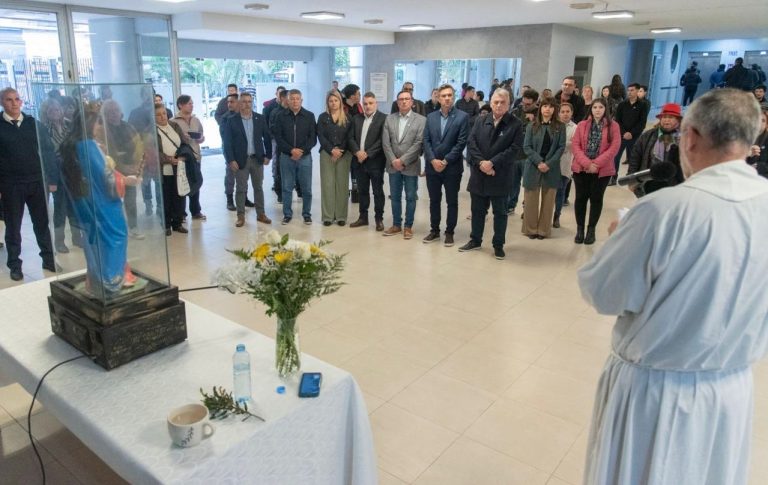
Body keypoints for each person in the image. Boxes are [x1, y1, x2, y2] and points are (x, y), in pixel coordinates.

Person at [579, 88, 767, 485]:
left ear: (691, 137)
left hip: (658, 392)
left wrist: (619, 239)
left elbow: (603, 292)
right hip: (730, 388)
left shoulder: (664, 211)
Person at [59, 110, 138, 295]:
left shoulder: (72, 145)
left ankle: (96, 277)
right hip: (102, 201)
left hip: (85, 200)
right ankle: (111, 279)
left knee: (94, 237)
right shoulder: (87, 145)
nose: (100, 127)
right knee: (115, 235)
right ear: (89, 124)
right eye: (97, 123)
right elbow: (105, 175)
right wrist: (125, 180)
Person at [458, 88, 524, 260]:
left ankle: (498, 245)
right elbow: (471, 143)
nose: (499, 105)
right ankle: (475, 240)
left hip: (500, 175)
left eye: (503, 102)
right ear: (490, 102)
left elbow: (514, 150)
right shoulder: (481, 120)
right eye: (496, 102)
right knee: (477, 210)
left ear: (509, 104)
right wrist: (482, 163)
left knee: (500, 213)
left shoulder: (515, 124)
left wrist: (492, 163)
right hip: (480, 174)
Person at [0, 87, 57, 281]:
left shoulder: (33, 123)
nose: (14, 103)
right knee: (13, 227)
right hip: (11, 185)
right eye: (9, 100)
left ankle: (48, 259)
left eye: (17, 99)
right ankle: (15, 264)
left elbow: (48, 151)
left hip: (36, 182)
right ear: (2, 103)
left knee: (41, 224)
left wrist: (52, 179)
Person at [422, 84, 469, 247]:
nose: (447, 98)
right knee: (434, 200)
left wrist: (446, 160)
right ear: (438, 98)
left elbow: (461, 142)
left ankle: (449, 232)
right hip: (432, 167)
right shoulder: (431, 117)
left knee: (452, 201)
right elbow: (426, 141)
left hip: (452, 168)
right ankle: (434, 230)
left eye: (449, 95)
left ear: (454, 96)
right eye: (443, 96)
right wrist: (433, 160)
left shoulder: (462, 117)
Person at [571, 98, 621, 245]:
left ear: (605, 109)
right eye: (594, 107)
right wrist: (587, 163)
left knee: (596, 199)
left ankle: (591, 230)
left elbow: (614, 148)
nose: (597, 110)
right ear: (591, 109)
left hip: (602, 170)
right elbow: (576, 145)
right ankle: (580, 229)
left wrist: (596, 164)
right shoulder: (582, 125)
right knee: (580, 199)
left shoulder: (614, 126)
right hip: (582, 168)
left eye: (600, 107)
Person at [221, 92, 272, 228]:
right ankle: (241, 216)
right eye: (244, 101)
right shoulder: (232, 120)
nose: (247, 104)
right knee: (241, 189)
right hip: (240, 160)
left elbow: (267, 137)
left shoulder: (259, 118)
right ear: (239, 103)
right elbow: (227, 143)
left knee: (258, 188)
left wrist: (268, 155)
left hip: (257, 159)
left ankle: (261, 214)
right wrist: (231, 160)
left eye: (249, 101)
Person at [381, 89, 426, 239]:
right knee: (394, 196)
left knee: (411, 196)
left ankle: (408, 226)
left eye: (407, 99)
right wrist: (394, 160)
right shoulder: (389, 119)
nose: (404, 101)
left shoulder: (421, 120)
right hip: (393, 165)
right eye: (401, 99)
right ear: (397, 102)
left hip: (411, 165)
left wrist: (403, 160)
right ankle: (396, 224)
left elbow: (419, 143)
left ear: (412, 102)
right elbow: (385, 143)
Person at [39, 98, 82, 254]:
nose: (55, 112)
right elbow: (46, 154)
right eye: (51, 110)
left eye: (57, 109)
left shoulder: (69, 125)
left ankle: (77, 237)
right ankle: (59, 241)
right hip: (56, 172)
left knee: (75, 205)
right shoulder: (44, 129)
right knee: (60, 207)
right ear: (46, 112)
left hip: (71, 170)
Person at [98, 99, 144, 239]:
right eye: (109, 112)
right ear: (104, 115)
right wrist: (121, 167)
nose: (114, 114)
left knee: (131, 199)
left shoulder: (128, 127)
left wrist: (137, 165)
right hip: (114, 170)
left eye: (116, 111)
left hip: (131, 168)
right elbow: (107, 153)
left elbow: (138, 145)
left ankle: (133, 226)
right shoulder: (102, 130)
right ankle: (116, 229)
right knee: (114, 201)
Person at [521, 97, 566, 239]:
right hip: (533, 166)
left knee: (548, 201)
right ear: (540, 108)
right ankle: (531, 229)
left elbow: (561, 147)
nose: (547, 109)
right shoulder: (532, 125)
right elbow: (526, 147)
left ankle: (543, 230)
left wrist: (548, 164)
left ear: (554, 110)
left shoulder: (560, 126)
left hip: (551, 167)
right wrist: (539, 162)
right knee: (531, 200)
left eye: (551, 107)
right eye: (545, 106)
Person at [273, 89, 316, 225]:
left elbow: (313, 138)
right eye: (292, 99)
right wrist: (291, 150)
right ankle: (287, 214)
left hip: (305, 157)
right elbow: (278, 138)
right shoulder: (280, 116)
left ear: (301, 100)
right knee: (286, 187)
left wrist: (301, 151)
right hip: (286, 157)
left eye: (298, 99)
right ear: (288, 100)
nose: (295, 101)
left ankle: (306, 214)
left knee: (306, 188)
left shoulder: (309, 116)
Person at [626, 103, 685, 197]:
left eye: (671, 117)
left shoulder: (686, 138)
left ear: (678, 120)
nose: (666, 120)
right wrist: (631, 179)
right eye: (664, 117)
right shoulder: (648, 135)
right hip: (648, 182)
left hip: (673, 185)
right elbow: (635, 156)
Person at [349, 92, 387, 231]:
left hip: (375, 162)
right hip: (359, 161)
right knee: (362, 191)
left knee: (378, 191)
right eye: (365, 103)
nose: (368, 106)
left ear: (376, 103)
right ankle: (363, 217)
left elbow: (382, 140)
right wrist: (357, 152)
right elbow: (350, 138)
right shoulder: (356, 118)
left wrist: (368, 154)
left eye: (371, 103)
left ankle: (379, 219)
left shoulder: (383, 118)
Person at [317, 90, 353, 226]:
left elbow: (349, 136)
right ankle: (327, 216)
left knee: (342, 185)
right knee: (327, 184)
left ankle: (341, 216)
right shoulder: (322, 117)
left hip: (344, 154)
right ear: (328, 102)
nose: (333, 103)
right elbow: (320, 135)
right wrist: (331, 150)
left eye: (336, 100)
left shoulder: (348, 118)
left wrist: (339, 151)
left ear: (340, 102)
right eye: (331, 101)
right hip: (327, 153)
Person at [155, 103, 190, 236]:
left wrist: (182, 157)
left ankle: (177, 222)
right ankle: (166, 224)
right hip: (165, 171)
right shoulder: (153, 131)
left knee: (179, 196)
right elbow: (154, 151)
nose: (162, 117)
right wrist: (169, 159)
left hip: (179, 168)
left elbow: (184, 144)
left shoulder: (174, 126)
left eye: (163, 113)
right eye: (158, 115)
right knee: (166, 198)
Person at [173, 95, 206, 221]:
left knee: (196, 184)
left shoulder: (195, 120)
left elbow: (202, 136)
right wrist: (183, 138)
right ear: (180, 105)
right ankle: (181, 213)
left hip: (196, 157)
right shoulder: (174, 121)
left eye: (192, 103)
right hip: (183, 158)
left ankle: (196, 211)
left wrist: (200, 138)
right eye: (188, 104)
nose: (191, 106)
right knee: (182, 185)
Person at [613, 83, 649, 183]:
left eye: (632, 90)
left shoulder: (643, 105)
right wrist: (624, 132)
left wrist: (631, 133)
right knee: (616, 157)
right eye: (628, 90)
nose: (629, 92)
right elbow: (617, 120)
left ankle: (631, 178)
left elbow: (642, 123)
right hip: (621, 135)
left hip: (635, 137)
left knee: (634, 159)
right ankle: (613, 177)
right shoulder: (622, 104)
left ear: (638, 91)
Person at [553, 102, 577, 229]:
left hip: (565, 163)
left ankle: (557, 216)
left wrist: (559, 143)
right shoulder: (553, 125)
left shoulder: (575, 128)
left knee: (560, 191)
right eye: (562, 111)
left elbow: (574, 144)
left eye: (568, 111)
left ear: (572, 113)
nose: (565, 114)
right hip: (551, 163)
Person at [747, 107, 768, 176]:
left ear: (766, 124)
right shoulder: (743, 138)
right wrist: (747, 154)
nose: (759, 123)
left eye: (763, 120)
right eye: (757, 119)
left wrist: (759, 166)